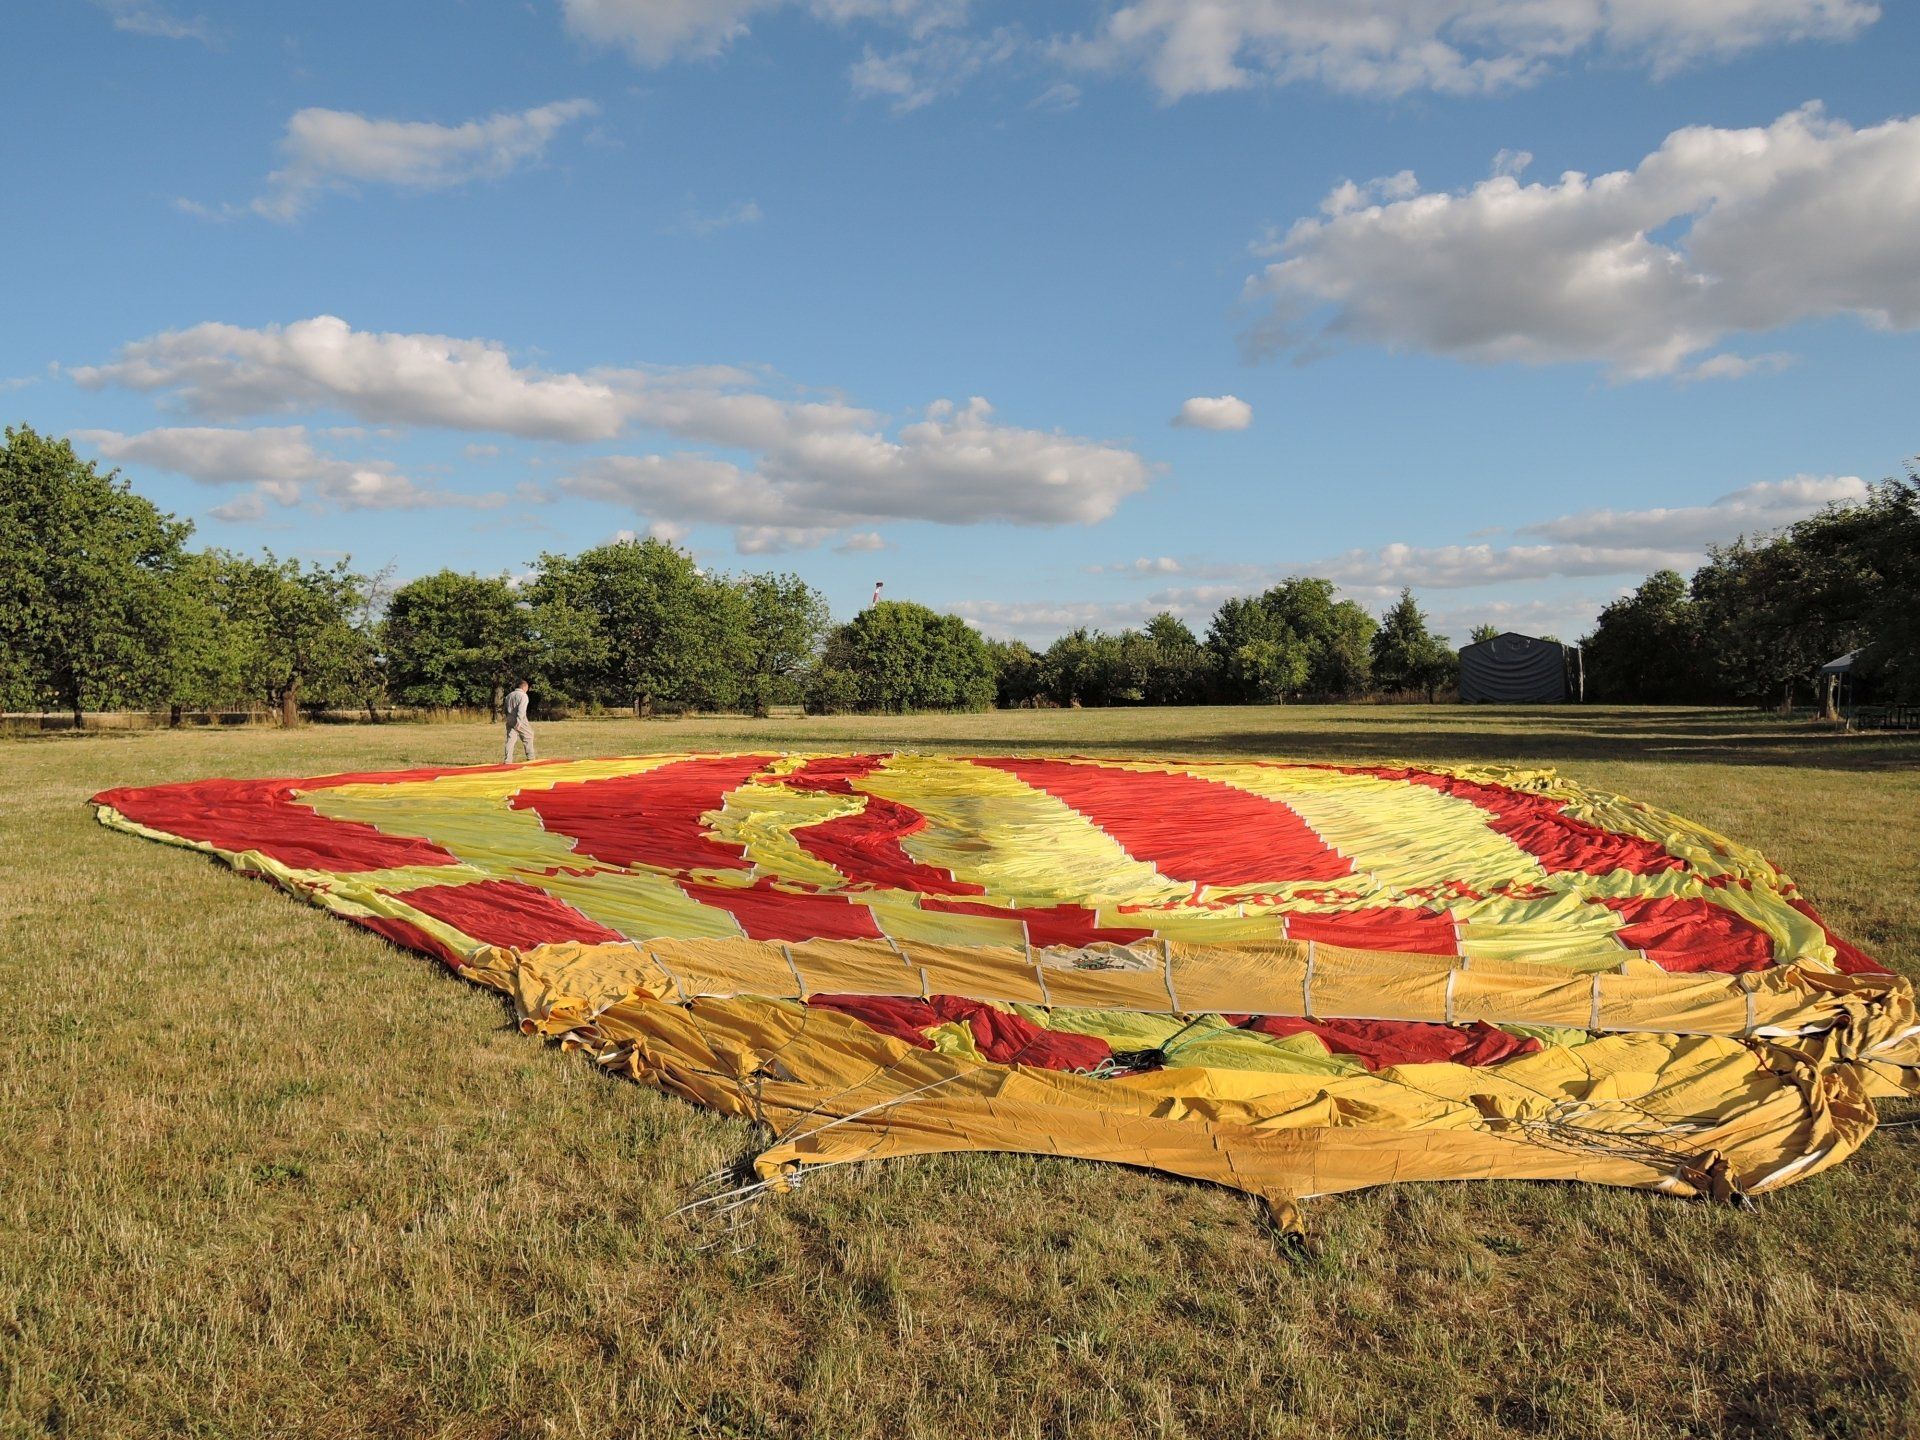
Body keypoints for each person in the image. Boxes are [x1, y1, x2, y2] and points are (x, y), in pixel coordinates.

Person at [503, 680, 536, 763]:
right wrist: (519, 722)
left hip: (510, 719)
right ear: (524, 687)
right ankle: (531, 758)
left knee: (510, 740)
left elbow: (505, 709)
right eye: (527, 688)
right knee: (528, 736)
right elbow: (521, 710)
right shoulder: (523, 696)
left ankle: (507, 760)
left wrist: (508, 718)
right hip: (520, 720)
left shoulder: (509, 695)